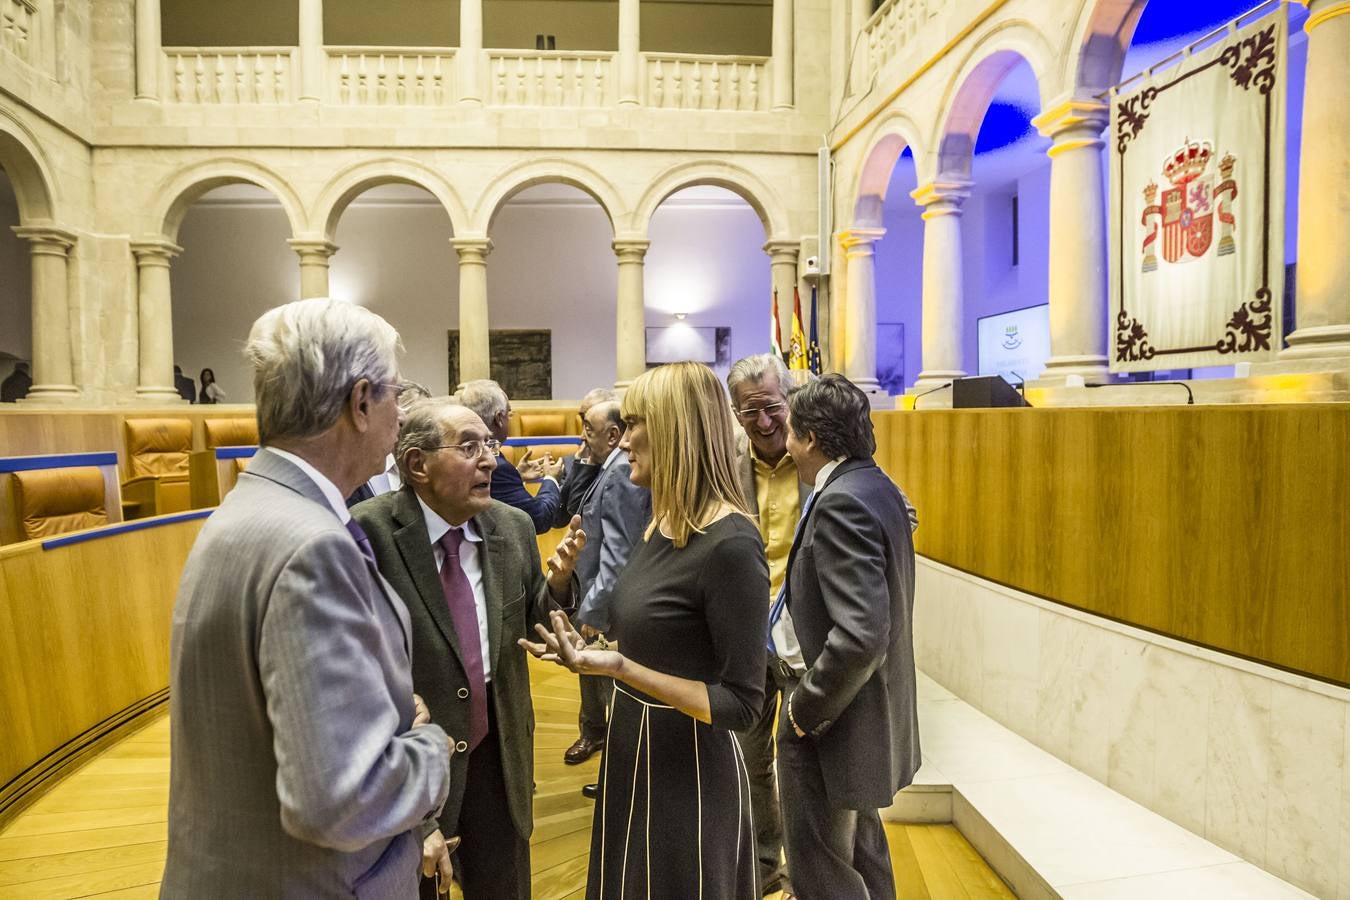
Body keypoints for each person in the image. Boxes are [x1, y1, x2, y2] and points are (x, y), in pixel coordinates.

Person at [162, 298, 454, 898]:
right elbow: (341, 800)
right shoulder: (311, 546)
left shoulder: (255, 505)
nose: (403, 414)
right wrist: (431, 745)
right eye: (397, 394)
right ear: (361, 401)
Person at [521, 361, 767, 900]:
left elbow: (743, 705)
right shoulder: (662, 521)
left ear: (677, 428)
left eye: (636, 424)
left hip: (691, 771)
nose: (625, 439)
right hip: (634, 745)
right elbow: (652, 633)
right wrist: (563, 587)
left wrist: (620, 668)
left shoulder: (730, 545)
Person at [352, 397, 585, 900]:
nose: (490, 460)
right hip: (414, 760)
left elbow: (535, 623)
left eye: (492, 445)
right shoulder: (368, 533)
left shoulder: (512, 526)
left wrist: (561, 586)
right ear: (417, 465)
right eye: (470, 446)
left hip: (498, 756)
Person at [776, 374, 921, 900]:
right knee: (864, 853)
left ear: (811, 438)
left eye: (791, 433)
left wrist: (803, 710)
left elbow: (860, 634)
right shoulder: (875, 484)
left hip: (833, 719)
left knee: (821, 870)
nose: (786, 446)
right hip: (861, 715)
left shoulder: (840, 501)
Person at [726, 352, 810, 898]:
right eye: (749, 411)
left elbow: (890, 509)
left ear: (790, 402)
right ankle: (763, 868)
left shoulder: (821, 457)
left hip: (808, 641)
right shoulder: (725, 468)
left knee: (806, 767)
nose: (762, 422)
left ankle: (813, 870)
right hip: (747, 638)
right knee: (752, 763)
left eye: (772, 407)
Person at [565, 399, 651, 775]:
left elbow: (619, 549)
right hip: (601, 594)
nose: (583, 437)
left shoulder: (620, 473)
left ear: (614, 434)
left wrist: (595, 609)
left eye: (589, 429)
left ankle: (620, 776)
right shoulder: (611, 466)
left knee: (616, 696)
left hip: (610, 603)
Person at [459, 379, 564, 535]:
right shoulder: (497, 466)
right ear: (499, 418)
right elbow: (539, 519)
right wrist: (551, 479)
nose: (509, 419)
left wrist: (516, 474)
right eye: (509, 414)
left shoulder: (463, 451)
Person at [346, 380, 431, 507]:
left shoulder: (428, 469)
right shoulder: (365, 466)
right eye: (408, 422)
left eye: (424, 424)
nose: (417, 432)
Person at [552, 386, 619, 529]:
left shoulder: (624, 467)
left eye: (589, 424)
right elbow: (559, 517)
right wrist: (582, 464)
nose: (583, 434)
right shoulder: (572, 462)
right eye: (583, 420)